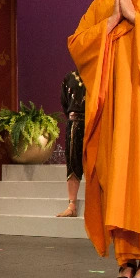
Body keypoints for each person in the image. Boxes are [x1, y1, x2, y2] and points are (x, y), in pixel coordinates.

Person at [67, 0, 140, 278]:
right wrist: (110, 22)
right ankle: (125, 261)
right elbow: (77, 43)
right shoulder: (103, 3)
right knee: (115, 176)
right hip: (112, 107)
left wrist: (136, 18)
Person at [57, 70, 85, 218]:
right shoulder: (69, 77)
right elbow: (65, 103)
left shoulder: (101, 73)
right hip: (74, 124)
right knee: (73, 163)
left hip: (97, 122)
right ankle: (72, 206)